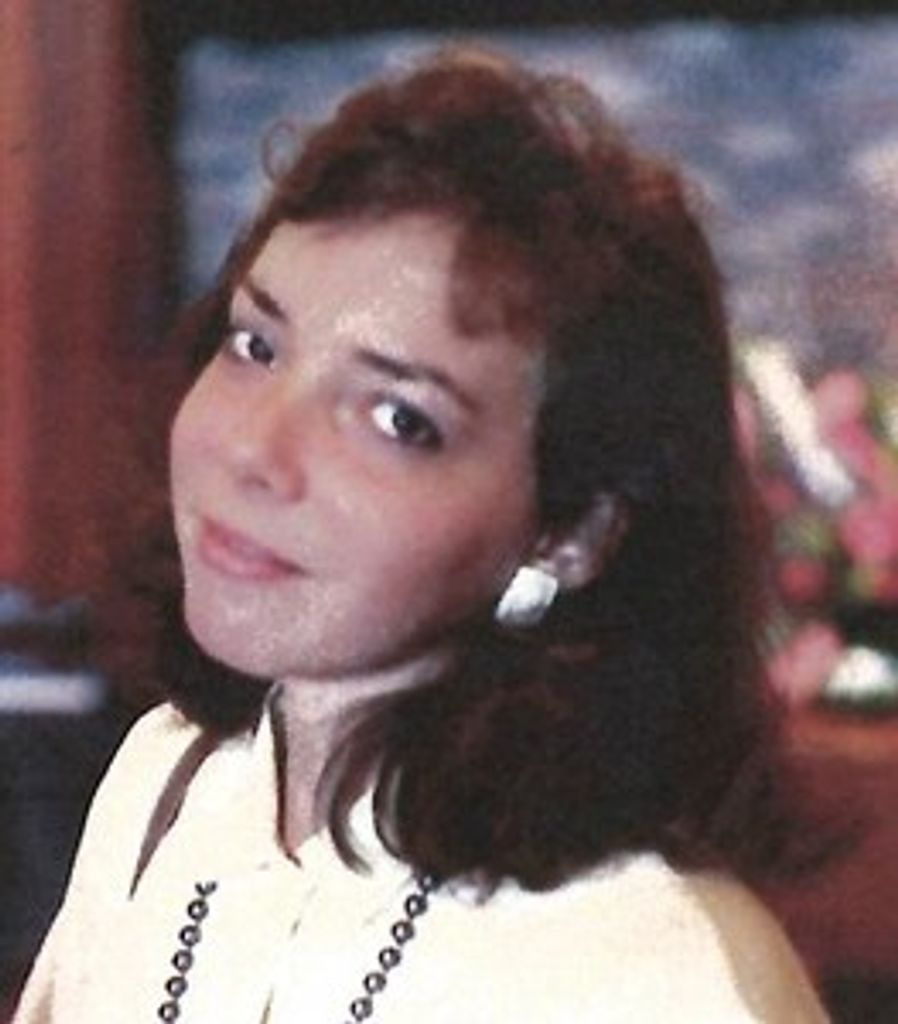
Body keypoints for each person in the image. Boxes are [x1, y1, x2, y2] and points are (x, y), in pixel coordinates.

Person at [14, 47, 831, 1023]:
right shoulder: (166, 782)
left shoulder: (662, 974)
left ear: (571, 531)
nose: (254, 450)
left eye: (398, 418)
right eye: (255, 344)